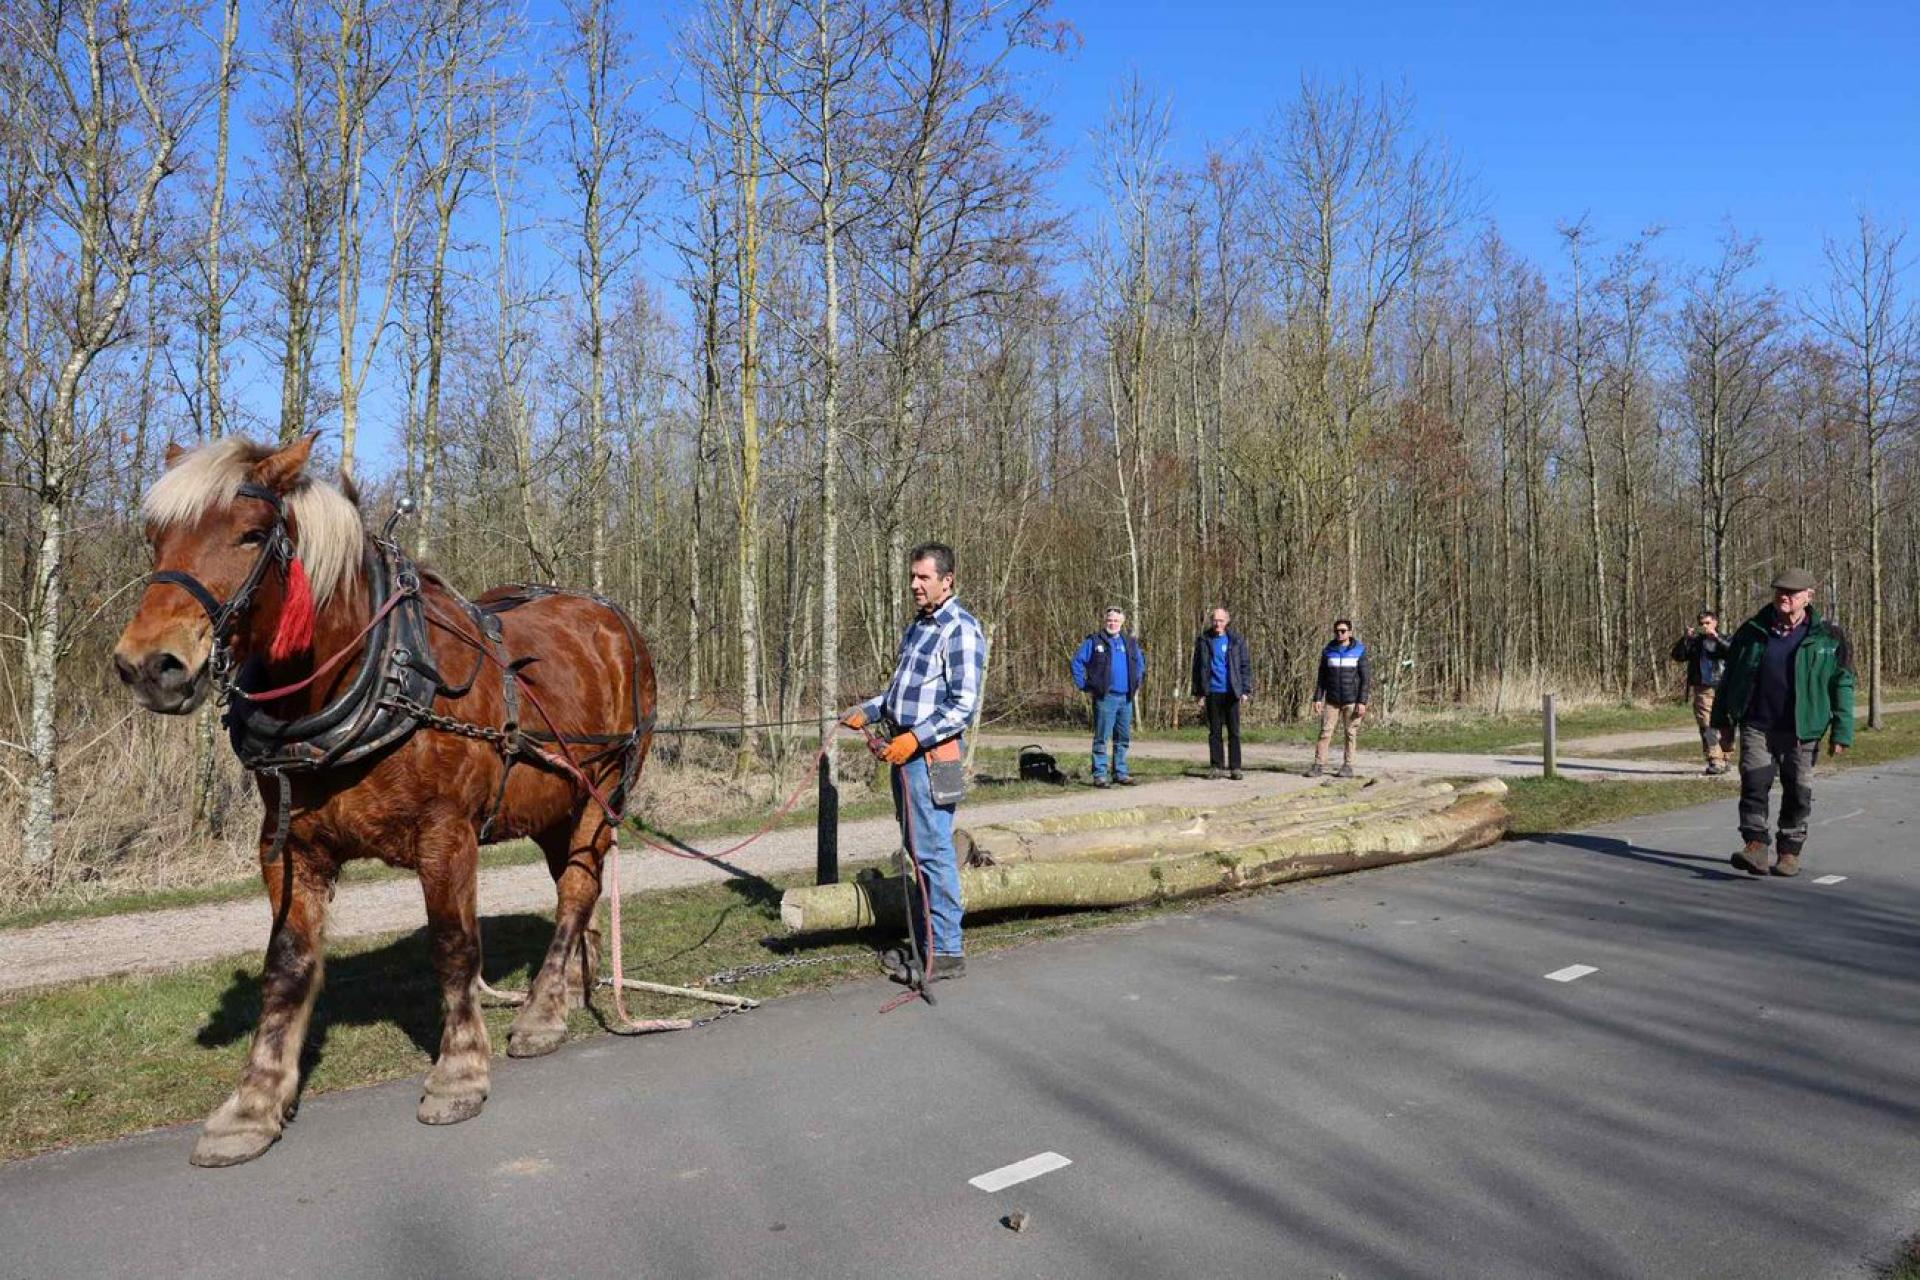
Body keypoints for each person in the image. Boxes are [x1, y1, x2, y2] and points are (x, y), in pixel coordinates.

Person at [841, 542, 986, 982]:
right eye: (912, 577)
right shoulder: (919, 628)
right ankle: (926, 944)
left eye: (923, 578)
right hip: (905, 758)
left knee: (935, 853)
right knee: (919, 851)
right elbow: (902, 693)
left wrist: (914, 740)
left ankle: (946, 952)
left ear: (947, 580)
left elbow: (963, 706)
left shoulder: (961, 629)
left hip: (932, 760)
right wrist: (870, 710)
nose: (914, 585)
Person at [1709, 568, 1853, 878]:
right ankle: (1756, 846)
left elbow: (1842, 683)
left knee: (1797, 791)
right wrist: (1722, 723)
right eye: (1779, 592)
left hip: (1804, 729)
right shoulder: (1752, 632)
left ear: (1809, 597)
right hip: (1757, 724)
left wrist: (1842, 730)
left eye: (1792, 593)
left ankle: (1789, 851)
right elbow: (1729, 679)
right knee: (1754, 784)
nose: (1784, 597)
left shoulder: (1828, 636)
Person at [1071, 606, 1145, 787]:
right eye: (1109, 620)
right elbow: (1077, 662)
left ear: (1122, 623)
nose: (1112, 623)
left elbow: (1141, 666)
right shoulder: (1095, 641)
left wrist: (1137, 683)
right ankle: (1100, 774)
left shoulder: (1130, 643)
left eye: (1116, 620)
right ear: (1105, 622)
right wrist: (1084, 684)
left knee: (1123, 737)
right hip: (1105, 698)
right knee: (1102, 737)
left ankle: (1121, 772)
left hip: (1126, 698)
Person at [1189, 606, 1252, 780]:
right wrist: (1199, 693)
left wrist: (1245, 689)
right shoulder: (1203, 640)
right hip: (1212, 692)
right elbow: (1197, 668)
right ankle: (1216, 766)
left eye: (1221, 620)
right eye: (1215, 620)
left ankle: (1235, 767)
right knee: (1215, 732)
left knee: (1234, 732)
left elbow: (1245, 666)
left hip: (1232, 691)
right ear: (1212, 621)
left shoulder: (1236, 640)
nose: (1218, 624)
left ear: (1227, 621)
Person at [1670, 610, 1734, 774]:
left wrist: (1717, 639)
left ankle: (1725, 756)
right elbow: (1677, 656)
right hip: (1703, 687)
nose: (1704, 627)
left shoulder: (1726, 638)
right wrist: (1685, 639)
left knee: (1726, 724)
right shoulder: (1696, 643)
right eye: (1702, 624)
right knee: (1706, 724)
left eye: (1707, 623)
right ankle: (1715, 759)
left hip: (1725, 687)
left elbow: (1733, 653)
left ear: (1715, 622)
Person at [1308, 618, 1370, 778]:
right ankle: (1318, 765)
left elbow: (1365, 679)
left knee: (1350, 733)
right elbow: (1321, 677)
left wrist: (1362, 702)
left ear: (1350, 632)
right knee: (1325, 732)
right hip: (1332, 700)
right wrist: (1317, 698)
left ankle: (1348, 766)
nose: (1339, 634)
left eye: (1343, 631)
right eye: (1337, 631)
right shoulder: (1328, 651)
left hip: (1352, 700)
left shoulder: (1360, 650)